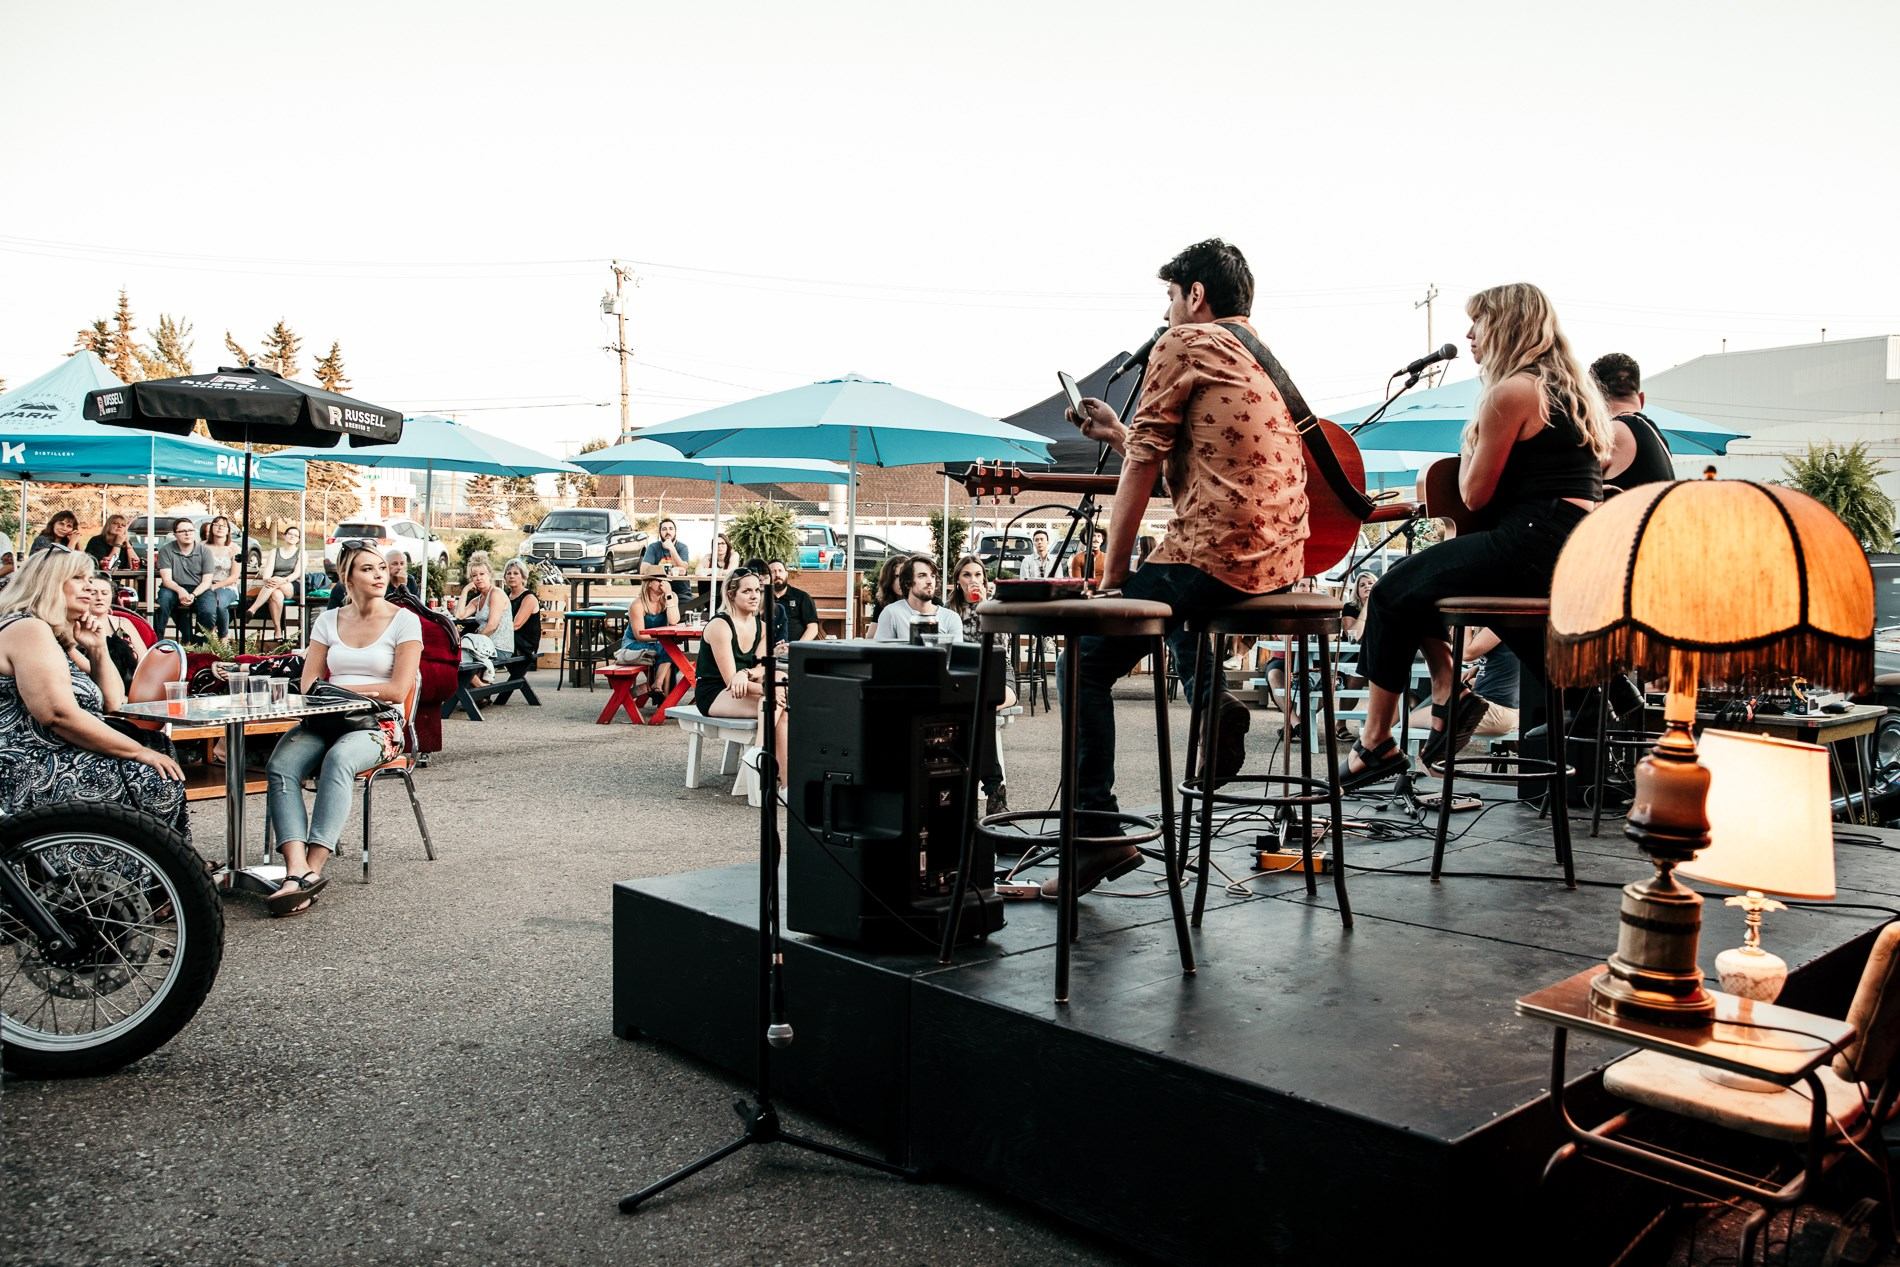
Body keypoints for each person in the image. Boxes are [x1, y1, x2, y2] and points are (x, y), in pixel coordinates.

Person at [1062, 238, 1309, 896]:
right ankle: (1212, 699)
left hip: (1220, 555)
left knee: (1084, 658)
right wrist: (1118, 434)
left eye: (1171, 297)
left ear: (1195, 295)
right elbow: (1204, 468)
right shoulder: (1260, 358)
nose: (1166, 312)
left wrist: (1112, 582)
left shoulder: (1185, 342)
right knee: (1176, 589)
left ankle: (1095, 834)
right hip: (1279, 559)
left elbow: (1147, 467)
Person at [1340, 282, 1610, 791]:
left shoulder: (1513, 392)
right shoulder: (1567, 392)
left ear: (1507, 326)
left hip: (1532, 538)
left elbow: (1474, 494)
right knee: (1418, 588)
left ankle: (1376, 740)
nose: (1469, 335)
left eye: (1478, 323)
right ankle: (1451, 691)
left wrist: (1471, 445)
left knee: (1391, 592)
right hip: (1567, 543)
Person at [264, 542, 422, 917]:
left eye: (381, 567)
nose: (380, 574)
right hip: (327, 716)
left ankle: (313, 868)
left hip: (378, 723)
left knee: (339, 760)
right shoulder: (328, 621)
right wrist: (335, 695)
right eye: (368, 569)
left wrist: (342, 689)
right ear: (347, 578)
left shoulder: (404, 621)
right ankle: (295, 868)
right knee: (281, 765)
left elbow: (397, 689)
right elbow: (308, 684)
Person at [0, 549, 187, 836]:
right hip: (27, 765)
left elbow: (112, 701)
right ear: (49, 582)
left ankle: (158, 857)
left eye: (89, 579)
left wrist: (98, 647)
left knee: (158, 750)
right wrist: (139, 753)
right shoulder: (28, 628)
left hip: (56, 752)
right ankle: (150, 858)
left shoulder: (55, 636)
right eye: (78, 578)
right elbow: (58, 714)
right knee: (150, 775)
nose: (89, 587)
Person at [694, 569, 788, 792]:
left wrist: (746, 673)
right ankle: (785, 784)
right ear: (731, 594)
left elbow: (763, 666)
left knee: (779, 688)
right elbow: (730, 681)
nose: (754, 596)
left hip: (746, 685)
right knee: (777, 699)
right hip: (716, 692)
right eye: (747, 591)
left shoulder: (762, 627)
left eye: (757, 590)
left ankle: (762, 756)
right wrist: (769, 689)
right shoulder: (720, 626)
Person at [945, 554, 1016, 815]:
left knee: (985, 701)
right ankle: (994, 789)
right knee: (980, 706)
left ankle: (978, 789)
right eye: (967, 575)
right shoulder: (948, 610)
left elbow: (1001, 646)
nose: (973, 580)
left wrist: (985, 607)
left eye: (977, 575)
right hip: (967, 675)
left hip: (998, 671)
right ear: (958, 580)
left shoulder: (994, 605)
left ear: (985, 580)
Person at [1404, 632, 1519, 745]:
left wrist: (1466, 624)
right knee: (1424, 713)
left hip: (1495, 712)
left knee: (1409, 722)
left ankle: (1424, 755)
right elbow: (1506, 658)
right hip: (1494, 710)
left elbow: (1467, 654)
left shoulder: (1497, 625)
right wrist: (1478, 668)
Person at [1591, 353, 1675, 493]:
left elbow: (1569, 487)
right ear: (1641, 399)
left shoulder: (1610, 433)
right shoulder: (1660, 440)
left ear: (1594, 399)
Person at [616, 571, 681, 703]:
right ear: (649, 583)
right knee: (668, 649)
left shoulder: (670, 598)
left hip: (657, 644)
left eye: (665, 581)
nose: (663, 584)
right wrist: (662, 640)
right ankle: (665, 699)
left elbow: (674, 621)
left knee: (669, 650)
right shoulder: (637, 605)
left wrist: (669, 595)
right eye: (659, 580)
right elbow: (640, 635)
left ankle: (658, 687)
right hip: (634, 644)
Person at [155, 517, 220, 641]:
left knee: (208, 611)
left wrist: (193, 594)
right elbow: (167, 580)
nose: (187, 533)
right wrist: (180, 591)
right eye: (183, 531)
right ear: (175, 534)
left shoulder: (205, 551)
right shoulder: (166, 550)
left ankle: (199, 644)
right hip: (173, 587)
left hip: (200, 588)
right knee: (163, 603)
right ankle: (157, 641)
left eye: (190, 530)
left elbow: (207, 581)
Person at [874, 556, 963, 643]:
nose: (929, 581)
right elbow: (882, 651)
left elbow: (956, 652)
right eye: (922, 576)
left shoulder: (951, 618)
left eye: (932, 576)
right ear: (908, 582)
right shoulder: (891, 613)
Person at [455, 557, 513, 683]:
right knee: (455, 655)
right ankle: (481, 687)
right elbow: (459, 615)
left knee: (457, 655)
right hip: (485, 645)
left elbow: (492, 626)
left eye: (482, 574)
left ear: (489, 575)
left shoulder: (496, 594)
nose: (478, 578)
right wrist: (465, 590)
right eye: (474, 575)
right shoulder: (478, 600)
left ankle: (480, 687)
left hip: (499, 647)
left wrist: (474, 642)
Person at [79, 576, 145, 684]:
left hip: (132, 685)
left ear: (112, 596)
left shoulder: (124, 623)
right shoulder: (77, 627)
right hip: (93, 685)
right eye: (93, 593)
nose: (99, 597)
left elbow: (144, 661)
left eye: (105, 593)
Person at [245, 525, 304, 637]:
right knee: (276, 595)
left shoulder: (301, 553)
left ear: (298, 539)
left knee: (276, 585)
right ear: (284, 536)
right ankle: (278, 630)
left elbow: (297, 574)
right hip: (273, 585)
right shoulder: (274, 552)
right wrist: (268, 579)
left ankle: (252, 609)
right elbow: (267, 573)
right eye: (290, 534)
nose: (292, 536)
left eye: (296, 535)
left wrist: (282, 580)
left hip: (291, 584)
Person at [200, 516, 240, 637]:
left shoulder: (235, 548)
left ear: (228, 530)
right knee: (206, 607)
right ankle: (207, 636)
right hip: (204, 586)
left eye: (223, 525)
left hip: (227, 587)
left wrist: (215, 586)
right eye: (216, 524)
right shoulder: (201, 546)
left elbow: (235, 576)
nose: (220, 527)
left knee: (219, 604)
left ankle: (223, 637)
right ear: (211, 528)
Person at [766, 560, 820, 644]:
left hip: (795, 648)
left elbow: (813, 627)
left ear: (786, 574)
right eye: (773, 572)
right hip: (768, 649)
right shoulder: (762, 598)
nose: (777, 575)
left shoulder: (802, 597)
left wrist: (798, 646)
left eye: (780, 571)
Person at [503, 558, 540, 657]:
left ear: (523, 577)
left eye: (516, 573)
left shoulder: (529, 597)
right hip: (509, 639)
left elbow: (516, 625)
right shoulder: (506, 596)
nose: (512, 576)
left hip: (524, 646)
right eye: (509, 573)